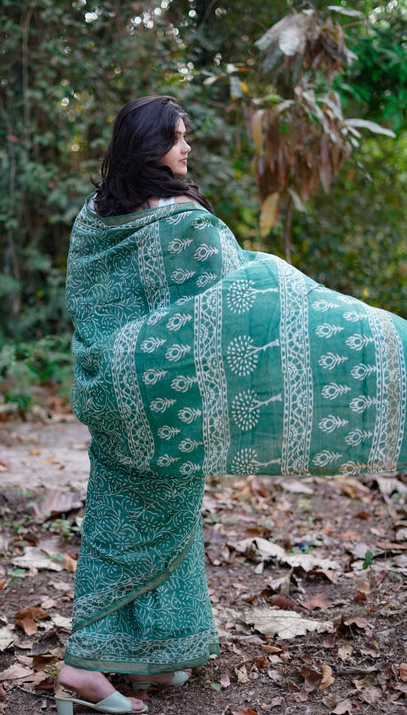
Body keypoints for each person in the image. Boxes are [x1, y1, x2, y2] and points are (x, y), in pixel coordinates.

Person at [56, 95, 407, 715]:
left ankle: (146, 652)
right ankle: (82, 667)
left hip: (113, 389)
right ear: (148, 146)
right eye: (177, 138)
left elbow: (93, 305)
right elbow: (235, 292)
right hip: (161, 399)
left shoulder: (94, 217)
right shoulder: (179, 219)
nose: (186, 148)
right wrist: (298, 295)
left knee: (146, 520)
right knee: (132, 532)